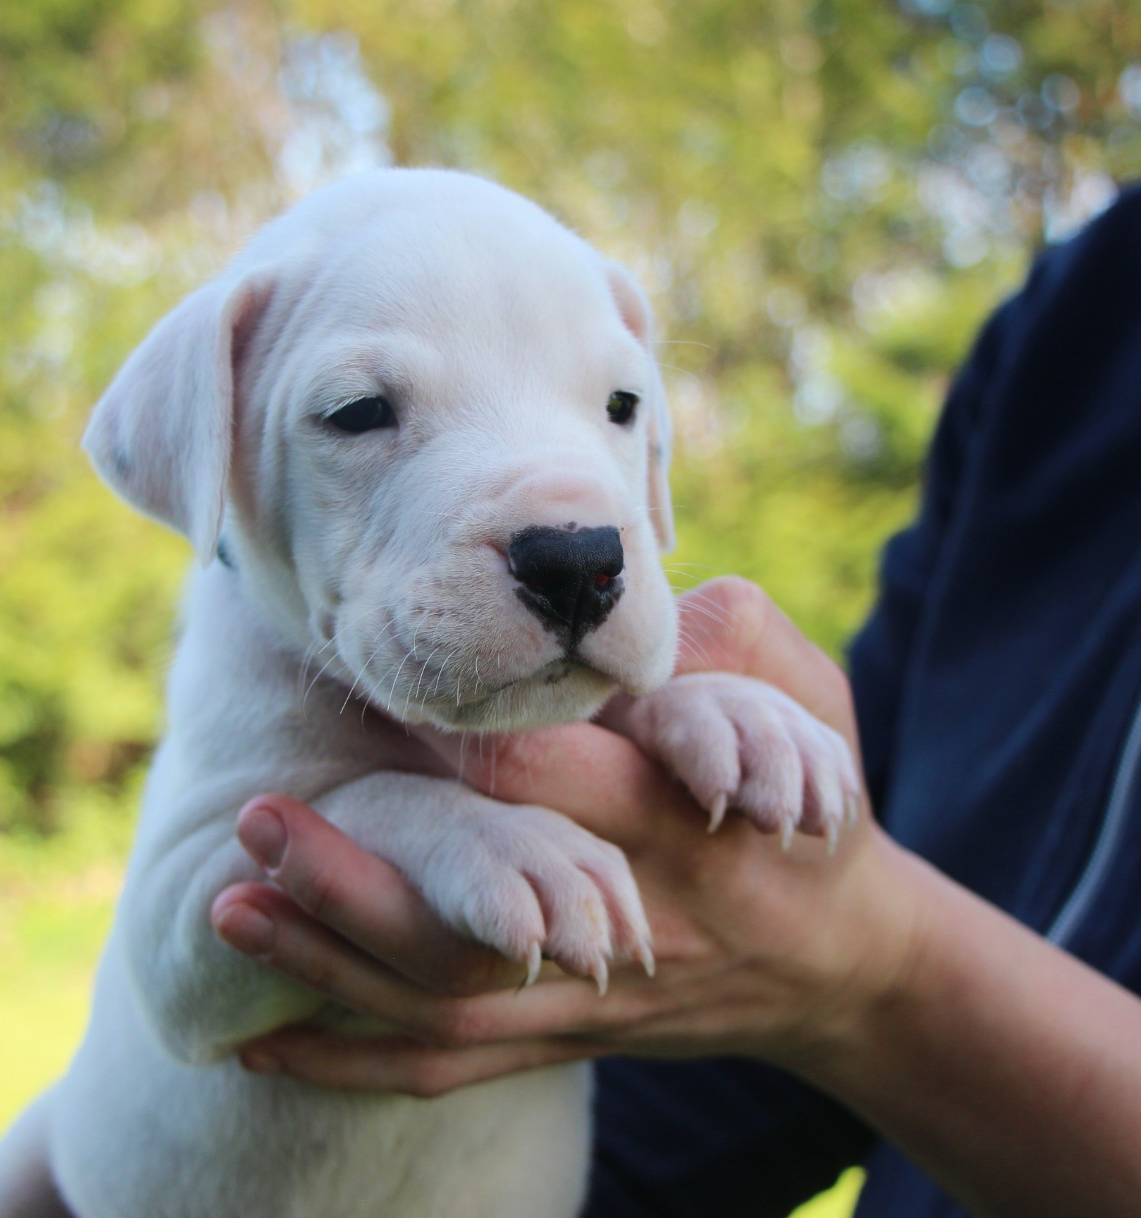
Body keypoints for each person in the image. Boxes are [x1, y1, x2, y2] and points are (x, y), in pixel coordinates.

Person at [208, 181, 1141, 1218]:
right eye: (360, 409)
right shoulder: (1081, 310)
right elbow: (764, 900)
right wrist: (690, 727)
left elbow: (815, 936)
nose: (579, 532)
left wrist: (872, 975)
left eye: (616, 407)